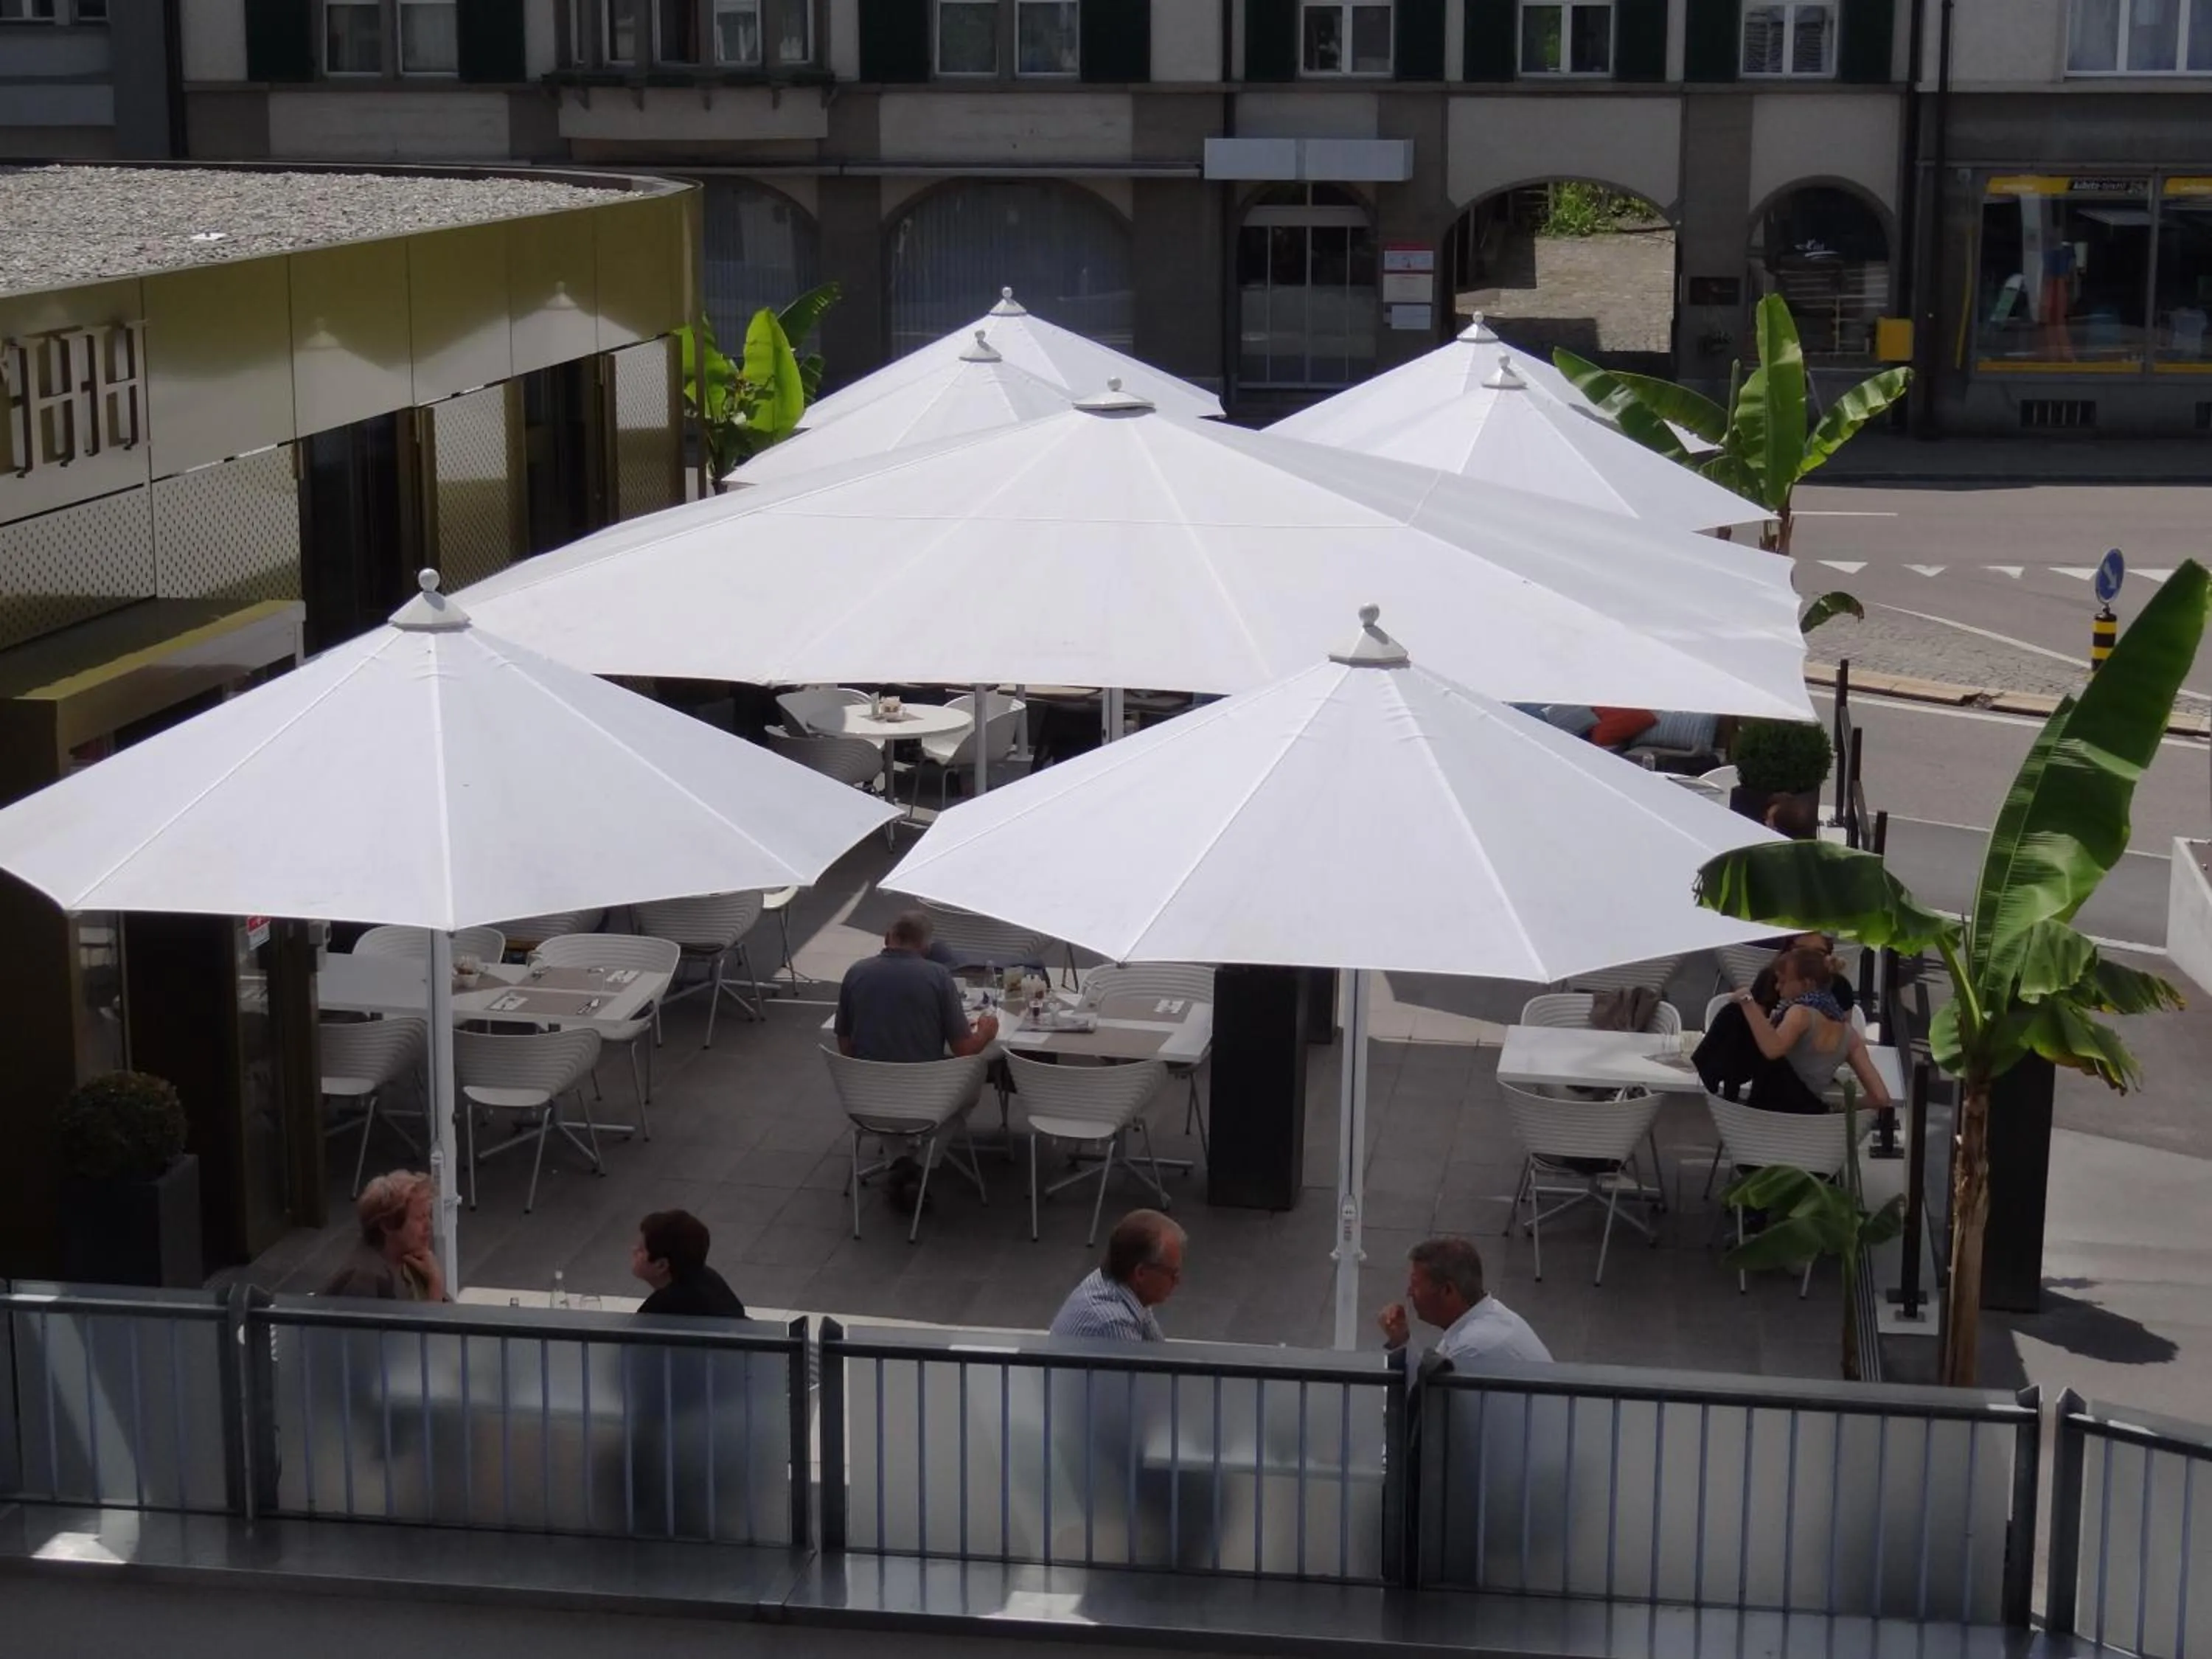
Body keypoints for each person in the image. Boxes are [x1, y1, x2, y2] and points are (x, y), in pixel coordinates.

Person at [1710, 947, 1892, 1115]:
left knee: (1732, 1016)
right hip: (1809, 1123)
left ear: (1807, 983)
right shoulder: (1850, 1035)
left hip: (1765, 1118)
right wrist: (1839, 1110)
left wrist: (1747, 1001)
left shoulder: (1800, 1014)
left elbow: (1772, 1049)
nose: (1777, 987)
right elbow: (1881, 1097)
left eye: (1783, 981)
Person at [835, 910, 999, 1063]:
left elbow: (845, 1044)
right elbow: (964, 1050)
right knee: (978, 1071)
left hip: (864, 1085)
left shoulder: (856, 973)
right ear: (926, 946)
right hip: (923, 1086)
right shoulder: (938, 976)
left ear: (886, 939)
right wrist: (985, 1032)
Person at [1377, 1236, 1550, 1365]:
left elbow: (1423, 1403)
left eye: (1416, 1285)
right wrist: (1401, 1340)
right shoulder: (1488, 1316)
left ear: (1447, 1291)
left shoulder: (1472, 1350)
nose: (1409, 1293)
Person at [1048, 1209, 1185, 1341]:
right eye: (1172, 1274)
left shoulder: (1120, 1285)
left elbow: (1158, 1349)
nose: (1177, 1281)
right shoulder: (1113, 1324)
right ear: (1141, 1273)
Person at [319, 1169, 448, 1301]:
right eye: (420, 1218)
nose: (429, 1226)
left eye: (428, 1216)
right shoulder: (364, 1282)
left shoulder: (413, 1264)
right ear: (388, 1225)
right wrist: (435, 1287)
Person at [631, 1209, 747, 1318]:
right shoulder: (710, 1278)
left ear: (661, 1265)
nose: (633, 1249)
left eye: (641, 1250)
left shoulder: (659, 1309)